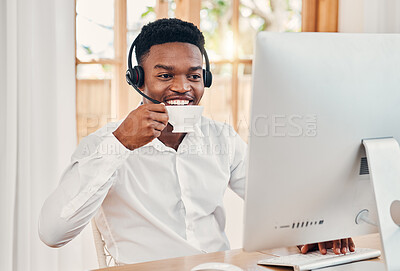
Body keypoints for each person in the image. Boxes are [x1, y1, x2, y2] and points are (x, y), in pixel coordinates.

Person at [38, 18, 354, 265]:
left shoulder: (221, 137)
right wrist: (120, 144)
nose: (183, 87)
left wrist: (315, 230)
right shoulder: (105, 143)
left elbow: (272, 202)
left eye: (194, 75)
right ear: (138, 79)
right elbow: (52, 233)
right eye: (165, 76)